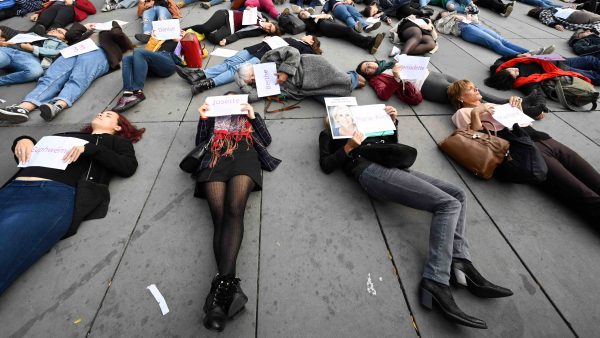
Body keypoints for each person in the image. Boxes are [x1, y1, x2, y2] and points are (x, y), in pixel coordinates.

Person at [319, 104, 513, 329]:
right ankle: (436, 280)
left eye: (348, 112)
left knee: (457, 195)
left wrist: (392, 123)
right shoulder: (328, 135)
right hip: (368, 171)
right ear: (331, 119)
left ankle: (460, 261)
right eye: (340, 114)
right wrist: (348, 147)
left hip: (394, 168)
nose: (345, 115)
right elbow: (326, 164)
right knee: (447, 204)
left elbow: (391, 148)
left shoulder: (365, 128)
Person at [0, 111, 144, 296]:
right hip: (11, 190)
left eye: (108, 115)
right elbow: (31, 156)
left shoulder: (116, 142)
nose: (101, 114)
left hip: (51, 195)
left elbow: (128, 167)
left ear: (117, 127)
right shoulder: (64, 136)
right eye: (101, 112)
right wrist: (22, 140)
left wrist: (90, 149)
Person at [447, 79, 600, 226]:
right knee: (582, 193)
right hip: (529, 150)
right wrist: (476, 113)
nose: (476, 89)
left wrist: (516, 107)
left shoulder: (491, 104)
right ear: (460, 97)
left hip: (544, 139)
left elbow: (520, 122)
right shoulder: (462, 113)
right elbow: (474, 140)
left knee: (594, 178)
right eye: (471, 89)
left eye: (475, 87)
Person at [194, 100, 280, 331]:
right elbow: (200, 142)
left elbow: (266, 140)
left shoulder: (247, 118)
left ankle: (218, 297)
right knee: (219, 216)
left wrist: (252, 116)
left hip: (244, 155)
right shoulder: (213, 119)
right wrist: (203, 118)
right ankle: (227, 289)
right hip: (215, 157)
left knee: (234, 210)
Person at [0, 22, 133, 124]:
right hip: (73, 50)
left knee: (79, 77)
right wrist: (86, 27)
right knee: (51, 78)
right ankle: (24, 108)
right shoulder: (80, 37)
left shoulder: (110, 35)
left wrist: (113, 25)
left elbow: (121, 37)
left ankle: (57, 105)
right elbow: (71, 35)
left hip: (98, 52)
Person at [175, 35, 323, 95]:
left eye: (309, 36)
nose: (306, 35)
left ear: (312, 41)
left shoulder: (305, 49)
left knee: (237, 69)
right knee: (230, 62)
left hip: (267, 56)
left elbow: (294, 58)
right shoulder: (298, 41)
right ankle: (199, 75)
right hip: (258, 47)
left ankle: (206, 84)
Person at [236, 46, 364, 102]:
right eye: (250, 81)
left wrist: (285, 71)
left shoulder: (267, 58)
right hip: (305, 89)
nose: (254, 78)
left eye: (251, 74)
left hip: (312, 68)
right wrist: (241, 83)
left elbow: (293, 52)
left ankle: (355, 76)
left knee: (345, 81)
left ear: (252, 66)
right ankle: (353, 80)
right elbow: (252, 97)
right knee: (335, 99)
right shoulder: (259, 86)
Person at [112, 31, 182, 112]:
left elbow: (191, 57)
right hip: (153, 64)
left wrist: (181, 40)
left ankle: (137, 91)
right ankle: (128, 93)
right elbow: (146, 52)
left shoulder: (184, 39)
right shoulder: (162, 40)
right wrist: (153, 38)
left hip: (169, 62)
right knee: (127, 58)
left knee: (138, 51)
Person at [434, 11, 556, 56]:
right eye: (443, 12)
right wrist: (453, 17)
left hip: (475, 25)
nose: (446, 12)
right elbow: (442, 29)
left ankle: (531, 52)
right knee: (495, 43)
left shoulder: (457, 13)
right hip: (465, 29)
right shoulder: (441, 21)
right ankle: (521, 56)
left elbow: (476, 17)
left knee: (504, 40)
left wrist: (471, 17)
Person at [485, 54, 600, 98]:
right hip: (560, 69)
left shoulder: (499, 68)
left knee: (590, 59)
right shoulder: (525, 83)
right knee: (594, 76)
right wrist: (539, 110)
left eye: (511, 69)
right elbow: (536, 96)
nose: (515, 69)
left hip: (553, 59)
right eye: (515, 73)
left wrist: (519, 55)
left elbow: (502, 58)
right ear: (513, 81)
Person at [0, 28, 68, 86]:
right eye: (54, 29)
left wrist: (32, 48)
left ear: (64, 39)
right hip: (9, 50)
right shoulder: (34, 34)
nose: (54, 30)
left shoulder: (63, 44)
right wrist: (3, 42)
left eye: (59, 32)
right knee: (2, 59)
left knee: (36, 72)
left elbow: (57, 53)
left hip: (31, 58)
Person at [297, 10, 385, 54]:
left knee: (347, 36)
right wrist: (318, 18)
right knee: (348, 30)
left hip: (330, 23)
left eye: (304, 11)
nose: (304, 13)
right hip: (325, 26)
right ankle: (370, 41)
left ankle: (369, 46)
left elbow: (328, 15)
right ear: (302, 18)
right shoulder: (308, 21)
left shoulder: (314, 15)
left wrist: (321, 16)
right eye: (302, 14)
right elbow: (312, 29)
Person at [185, 8, 282, 46]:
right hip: (226, 15)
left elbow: (240, 35)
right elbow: (249, 7)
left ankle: (205, 32)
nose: (267, 28)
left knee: (216, 39)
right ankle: (186, 29)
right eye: (270, 26)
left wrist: (227, 41)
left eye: (269, 31)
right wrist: (248, 8)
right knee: (206, 28)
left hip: (231, 27)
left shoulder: (258, 31)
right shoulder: (262, 17)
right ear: (271, 22)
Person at [29, 0, 96, 32]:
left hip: (69, 8)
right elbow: (47, 6)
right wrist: (38, 13)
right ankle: (25, 37)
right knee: (42, 21)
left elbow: (93, 10)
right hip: (55, 7)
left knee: (57, 22)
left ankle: (46, 38)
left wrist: (74, 3)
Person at [527, 6, 600, 31]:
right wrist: (554, 25)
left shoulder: (550, 10)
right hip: (575, 15)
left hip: (576, 15)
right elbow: (546, 18)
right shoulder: (544, 11)